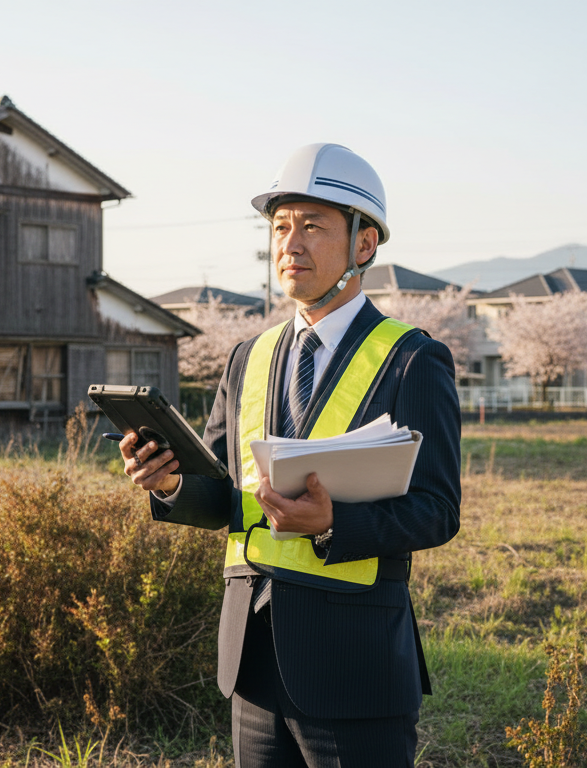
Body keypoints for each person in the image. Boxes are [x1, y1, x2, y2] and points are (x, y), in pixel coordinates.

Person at [120, 143, 461, 767]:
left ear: (364, 245)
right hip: (252, 662)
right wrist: (168, 484)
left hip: (354, 669)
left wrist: (333, 524)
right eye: (281, 226)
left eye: (313, 226)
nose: (290, 244)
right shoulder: (249, 356)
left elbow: (437, 511)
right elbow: (225, 497)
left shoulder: (413, 359)